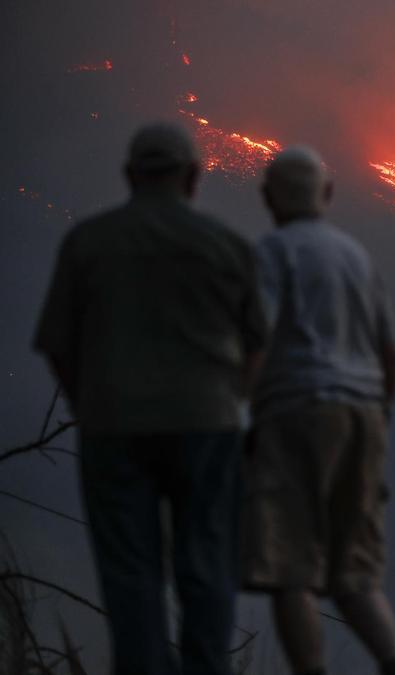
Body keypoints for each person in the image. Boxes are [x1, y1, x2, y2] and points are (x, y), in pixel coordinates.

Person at [33, 122, 267, 675]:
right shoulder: (227, 245)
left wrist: (89, 405)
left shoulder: (89, 242)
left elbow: (57, 344)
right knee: (207, 565)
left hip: (115, 426)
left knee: (130, 572)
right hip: (207, 426)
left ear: (130, 175)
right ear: (194, 176)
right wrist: (231, 399)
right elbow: (258, 345)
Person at [241, 146, 395, 675]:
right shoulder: (357, 257)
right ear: (328, 194)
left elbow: (257, 340)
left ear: (268, 197)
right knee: (356, 572)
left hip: (298, 411)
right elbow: (393, 357)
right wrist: (377, 420)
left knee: (291, 566)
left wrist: (241, 412)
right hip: (364, 416)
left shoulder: (272, 252)